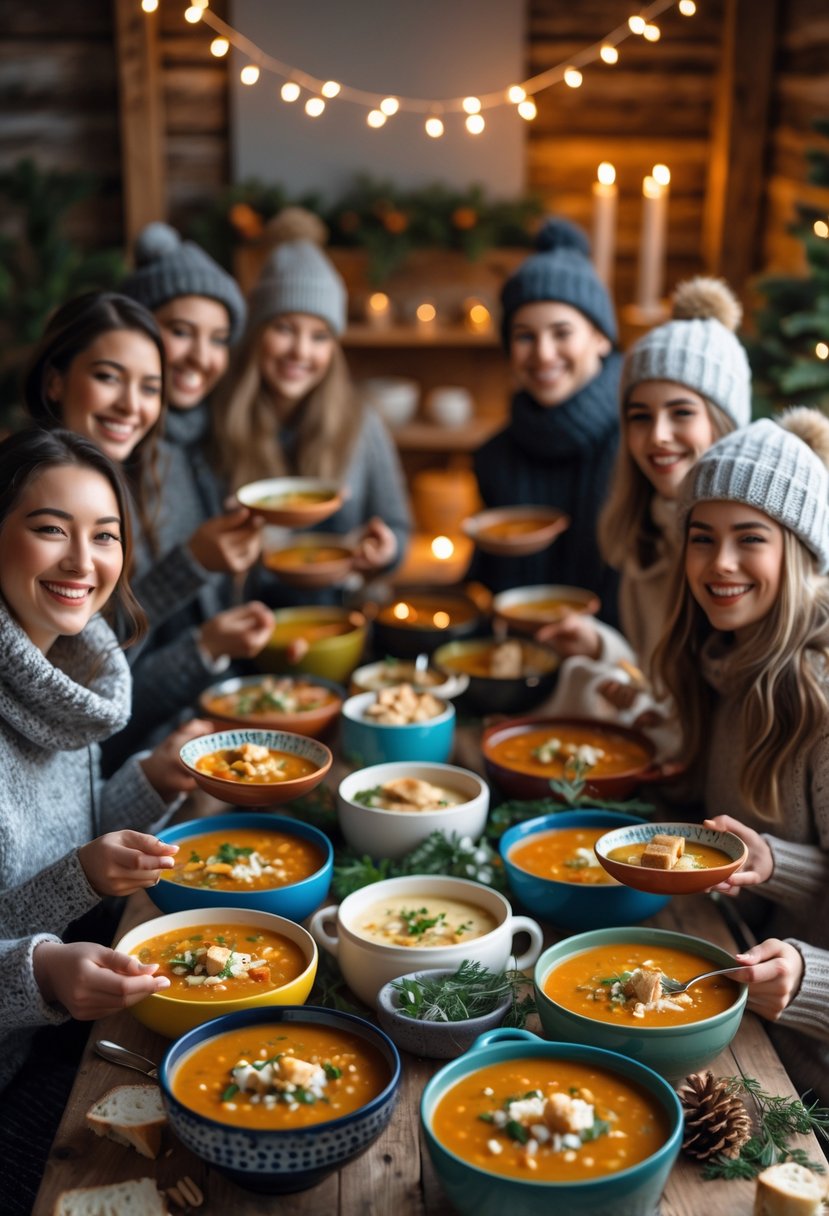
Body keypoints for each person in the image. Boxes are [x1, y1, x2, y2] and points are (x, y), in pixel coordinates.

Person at [0, 428, 209, 1181]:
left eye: (105, 535)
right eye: (51, 529)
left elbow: (68, 840)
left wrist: (153, 779)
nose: (83, 563)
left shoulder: (65, 674)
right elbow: (61, 877)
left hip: (49, 1040)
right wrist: (43, 972)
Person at [652, 408, 829, 1103]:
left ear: (800, 553)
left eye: (749, 538)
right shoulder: (722, 661)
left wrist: (810, 981)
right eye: (702, 538)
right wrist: (771, 863)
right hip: (733, 1007)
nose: (719, 563)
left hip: (802, 1085)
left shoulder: (819, 700)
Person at [21, 291, 272, 759]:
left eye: (151, 388)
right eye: (107, 377)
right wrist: (191, 573)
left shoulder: (146, 475)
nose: (130, 406)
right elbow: (86, 689)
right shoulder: (29, 494)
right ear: (55, 381)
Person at [539, 277, 751, 729]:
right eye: (640, 417)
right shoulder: (645, 536)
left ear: (723, 422)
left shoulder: (746, 556)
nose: (658, 435)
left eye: (681, 412)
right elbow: (658, 679)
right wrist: (603, 649)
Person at [108, 225, 273, 759]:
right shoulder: (108, 467)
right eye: (181, 331)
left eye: (219, 338)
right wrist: (194, 569)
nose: (202, 357)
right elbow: (101, 677)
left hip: (211, 713)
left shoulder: (204, 444)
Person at [212, 207, 411, 604]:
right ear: (256, 334)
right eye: (284, 328)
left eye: (319, 336)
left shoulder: (361, 422)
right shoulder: (218, 419)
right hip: (248, 617)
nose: (301, 352)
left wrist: (384, 551)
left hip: (341, 615)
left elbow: (398, 528)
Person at [471, 217, 621, 620]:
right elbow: (484, 583)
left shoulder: (641, 444)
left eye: (562, 333)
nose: (543, 354)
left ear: (601, 338)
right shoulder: (494, 456)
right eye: (525, 336)